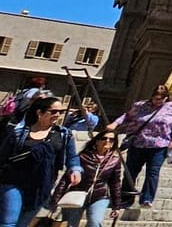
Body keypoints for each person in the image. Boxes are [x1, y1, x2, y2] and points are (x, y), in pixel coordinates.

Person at [1, 94, 81, 227]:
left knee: (23, 223)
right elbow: (3, 155)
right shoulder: (20, 132)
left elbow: (72, 156)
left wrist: (75, 170)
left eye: (61, 112)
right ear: (40, 112)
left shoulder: (64, 134)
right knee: (9, 221)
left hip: (41, 186)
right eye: (54, 111)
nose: (58, 115)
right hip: (13, 181)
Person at [107, 85, 172, 208]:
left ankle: (147, 198)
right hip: (139, 142)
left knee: (153, 172)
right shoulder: (140, 106)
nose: (157, 102)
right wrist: (115, 123)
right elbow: (127, 116)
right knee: (130, 171)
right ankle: (126, 198)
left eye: (160, 99)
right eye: (155, 99)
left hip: (159, 144)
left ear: (166, 98)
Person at [58, 130, 122, 227]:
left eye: (111, 140)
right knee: (70, 224)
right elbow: (66, 179)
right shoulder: (83, 157)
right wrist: (56, 198)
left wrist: (116, 206)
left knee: (95, 222)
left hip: (99, 196)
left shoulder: (114, 161)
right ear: (97, 141)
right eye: (104, 138)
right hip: (77, 194)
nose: (107, 141)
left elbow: (115, 183)